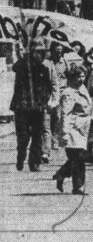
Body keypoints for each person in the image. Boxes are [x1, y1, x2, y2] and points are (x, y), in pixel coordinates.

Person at [11, 37, 54, 172]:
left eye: (42, 52)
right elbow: (14, 67)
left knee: (37, 135)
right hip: (22, 107)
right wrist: (24, 57)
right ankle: (21, 156)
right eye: (38, 52)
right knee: (23, 137)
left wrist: (44, 102)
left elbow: (48, 89)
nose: (41, 55)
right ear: (32, 52)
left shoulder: (43, 69)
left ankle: (34, 162)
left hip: (37, 108)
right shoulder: (23, 66)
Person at [53, 65, 92, 195]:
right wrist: (64, 133)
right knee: (78, 159)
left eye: (83, 76)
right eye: (78, 76)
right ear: (72, 77)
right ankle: (78, 187)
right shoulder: (68, 93)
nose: (81, 79)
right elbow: (65, 114)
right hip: (72, 129)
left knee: (77, 159)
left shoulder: (82, 89)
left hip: (83, 129)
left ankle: (61, 174)